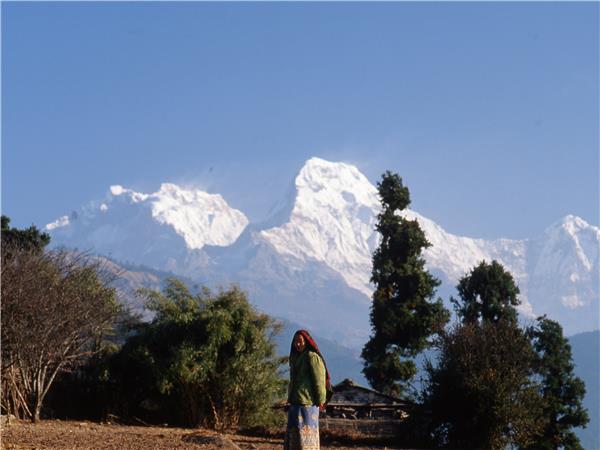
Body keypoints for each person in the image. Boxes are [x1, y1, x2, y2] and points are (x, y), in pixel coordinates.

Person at [284, 329, 332, 450]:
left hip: (308, 405)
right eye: (295, 341)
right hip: (295, 404)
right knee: (294, 439)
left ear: (307, 342)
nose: (297, 344)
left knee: (306, 440)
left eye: (300, 341)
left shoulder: (312, 357)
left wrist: (321, 400)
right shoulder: (295, 358)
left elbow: (319, 380)